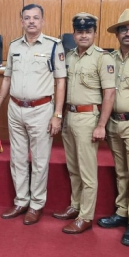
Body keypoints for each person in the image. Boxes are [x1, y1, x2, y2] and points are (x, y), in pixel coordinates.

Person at [0, 3, 66, 225]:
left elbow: (60, 81)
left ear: (42, 21)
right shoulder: (14, 46)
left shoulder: (54, 46)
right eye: (27, 18)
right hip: (15, 109)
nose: (31, 21)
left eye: (35, 18)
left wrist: (57, 115)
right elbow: (7, 78)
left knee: (40, 160)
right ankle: (21, 200)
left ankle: (36, 205)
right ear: (21, 21)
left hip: (42, 110)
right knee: (18, 158)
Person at [53, 13, 115, 234]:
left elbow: (109, 94)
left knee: (87, 171)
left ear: (94, 34)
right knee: (74, 168)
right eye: (79, 32)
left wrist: (101, 125)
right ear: (74, 34)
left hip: (89, 118)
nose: (83, 35)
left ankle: (86, 216)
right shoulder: (68, 56)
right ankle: (75, 206)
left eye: (88, 32)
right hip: (69, 117)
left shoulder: (103, 58)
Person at [97, 9, 129, 247]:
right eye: (123, 29)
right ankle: (122, 213)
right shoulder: (110, 59)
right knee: (122, 172)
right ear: (117, 34)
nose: (128, 33)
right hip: (114, 123)